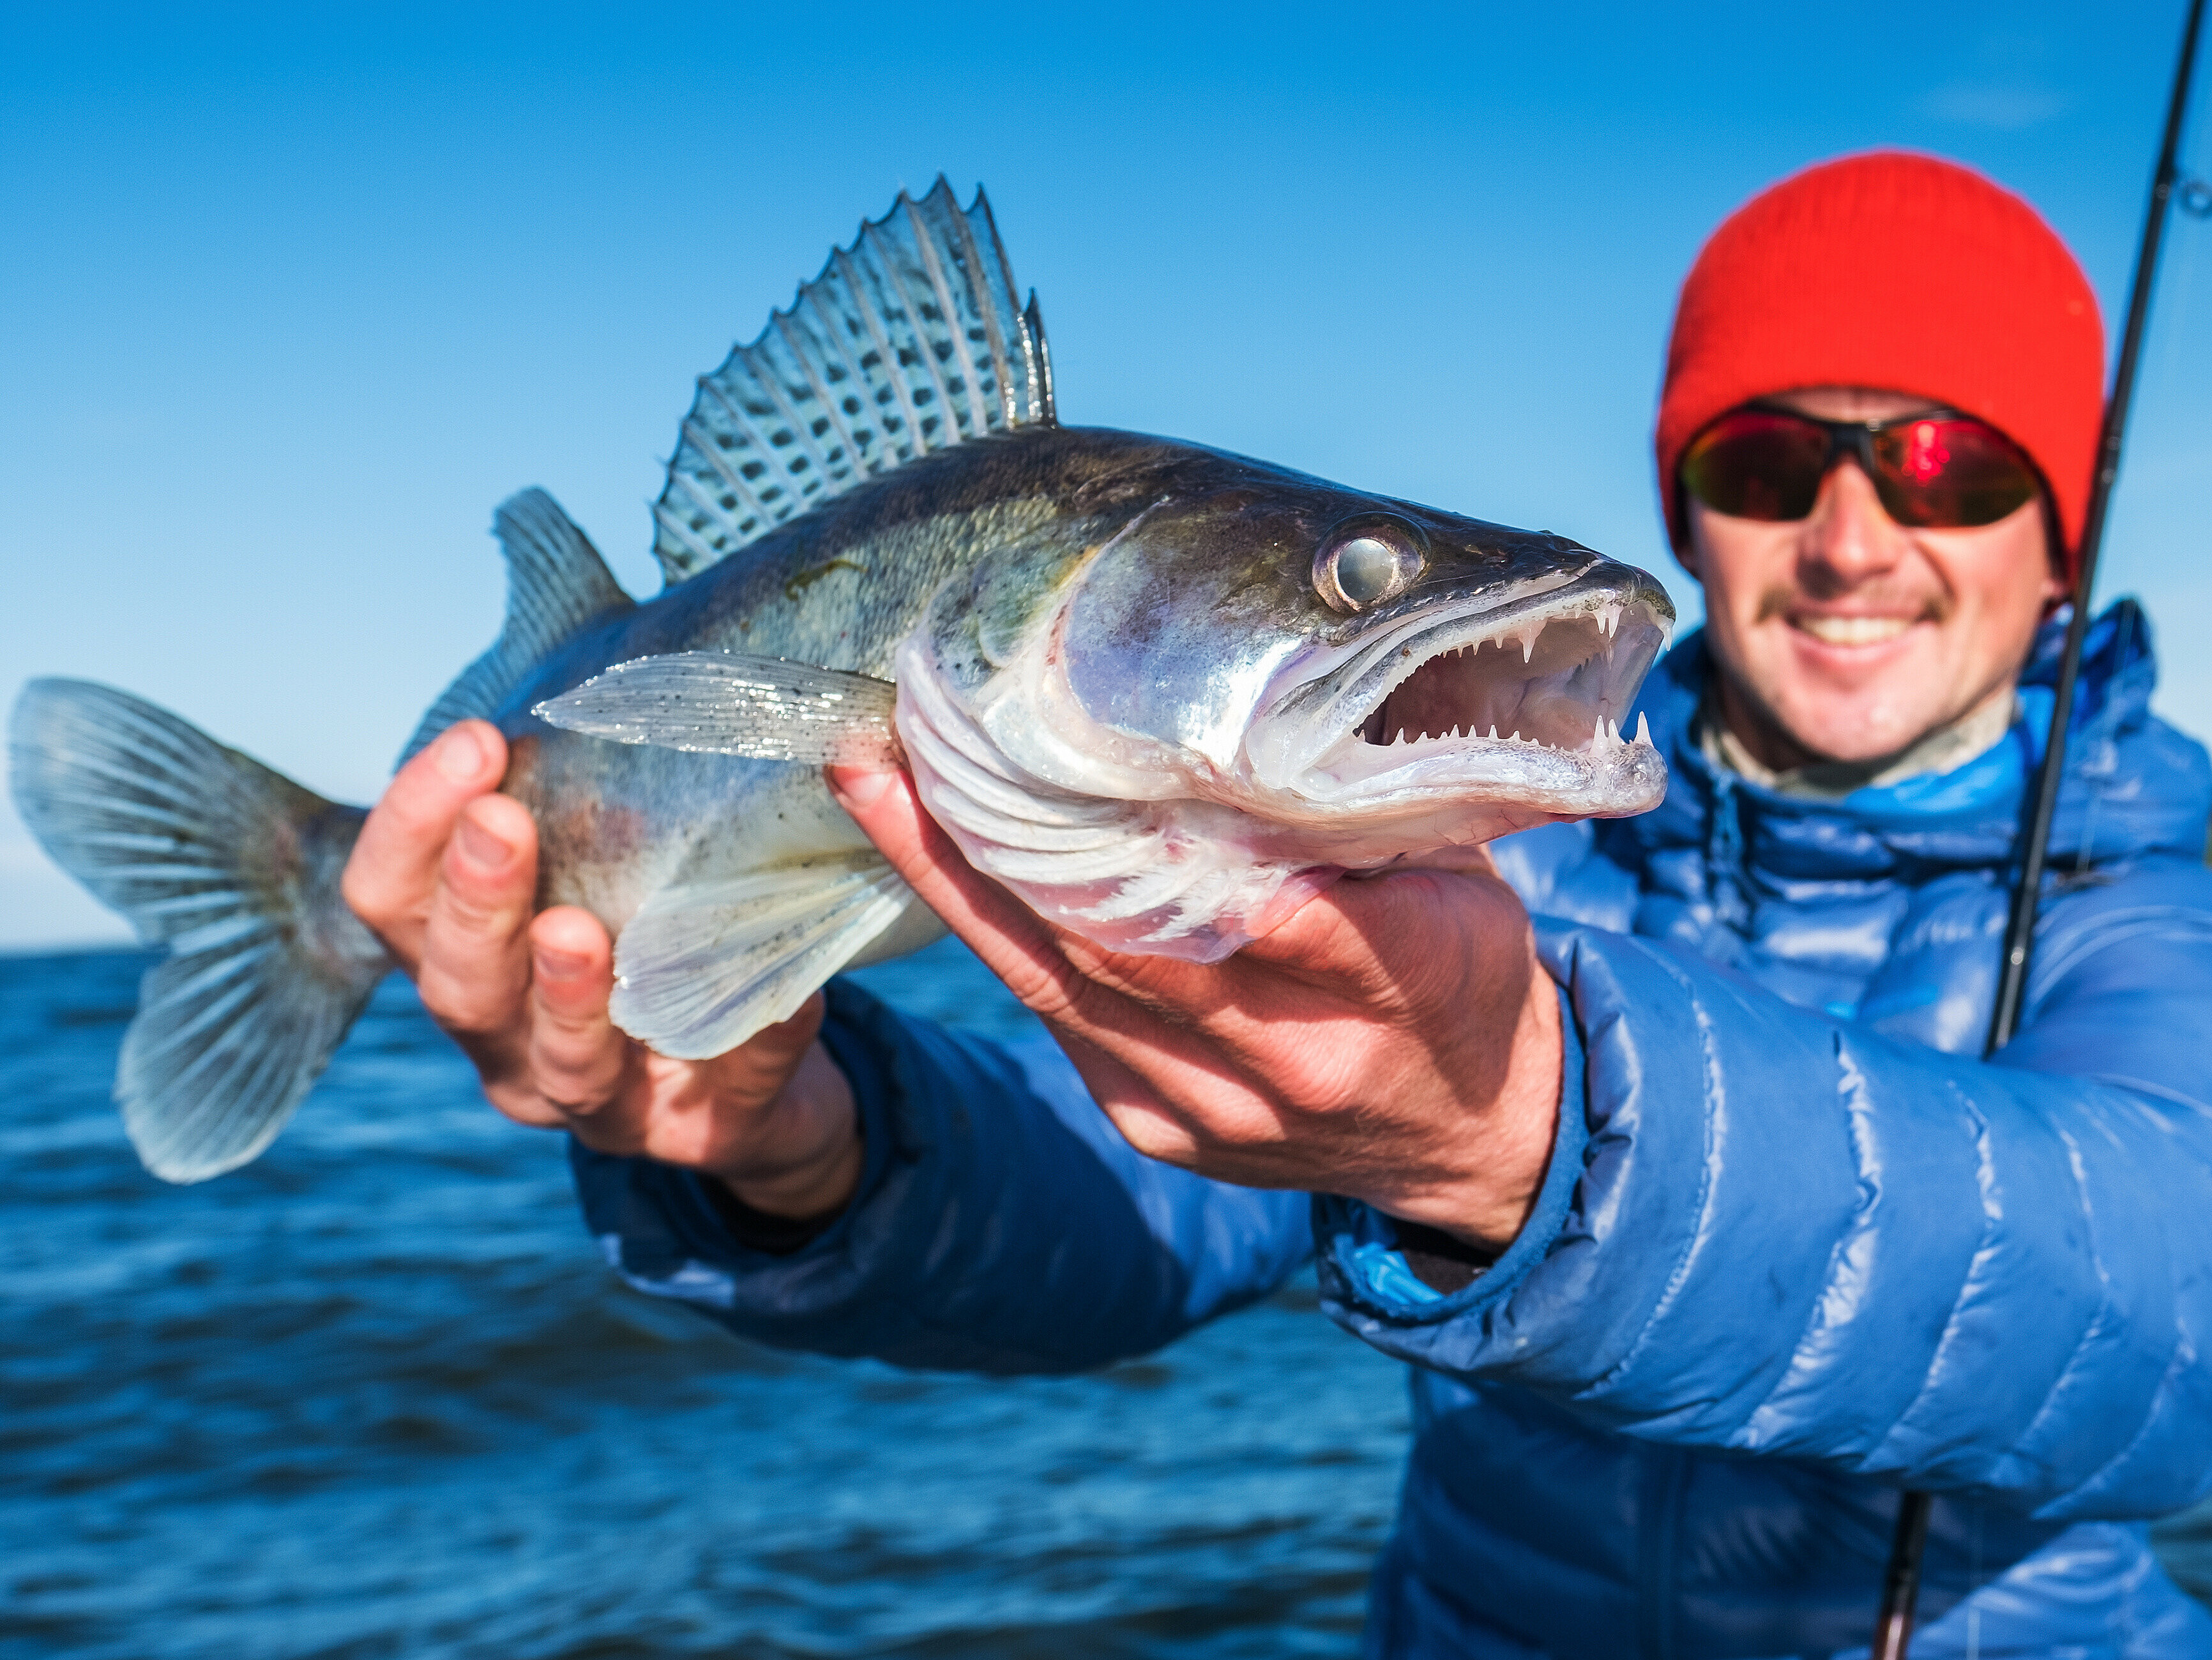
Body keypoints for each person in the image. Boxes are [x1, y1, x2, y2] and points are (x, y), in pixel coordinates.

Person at [342, 152, 2212, 1657]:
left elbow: (2177, 1323)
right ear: (1693, 504)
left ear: (2063, 522)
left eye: (1952, 464)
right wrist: (807, 1149)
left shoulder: (2175, 879)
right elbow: (1144, 1197)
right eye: (1767, 460)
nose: (1854, 539)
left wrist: (1531, 1136)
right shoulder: (1464, 836)